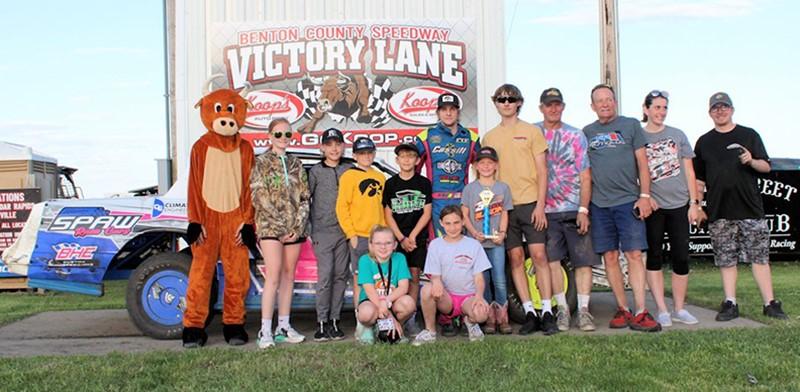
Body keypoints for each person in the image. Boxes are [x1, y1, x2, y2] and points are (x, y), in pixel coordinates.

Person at [693, 92, 788, 321]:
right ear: (710, 113)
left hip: (749, 209)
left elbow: (766, 166)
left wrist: (750, 161)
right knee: (726, 260)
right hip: (719, 211)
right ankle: (730, 303)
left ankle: (770, 303)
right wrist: (696, 205)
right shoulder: (704, 142)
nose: (720, 111)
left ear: (732, 109)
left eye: (724, 106)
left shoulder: (748, 135)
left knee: (760, 258)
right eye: (716, 108)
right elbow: (698, 180)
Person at [582, 84, 660, 332]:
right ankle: (623, 309)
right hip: (600, 204)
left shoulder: (630, 125)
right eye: (599, 101)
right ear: (592, 106)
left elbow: (643, 163)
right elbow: (585, 171)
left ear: (615, 102)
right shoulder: (587, 132)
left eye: (609, 99)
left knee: (635, 255)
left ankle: (640, 310)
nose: (604, 104)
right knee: (610, 257)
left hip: (628, 201)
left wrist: (645, 195)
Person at [482, 84, 557, 335]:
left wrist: (540, 206)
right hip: (504, 207)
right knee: (514, 259)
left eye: (511, 99)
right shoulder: (489, 137)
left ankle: (547, 311)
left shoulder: (532, 131)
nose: (506, 103)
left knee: (538, 256)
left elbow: (543, 171)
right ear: (496, 103)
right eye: (501, 99)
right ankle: (529, 313)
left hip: (529, 203)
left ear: (519, 103)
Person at [535, 87, 601, 332]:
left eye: (557, 104)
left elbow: (586, 175)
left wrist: (584, 209)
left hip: (574, 208)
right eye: (548, 105)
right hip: (547, 211)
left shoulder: (576, 135)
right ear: (541, 108)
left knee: (583, 261)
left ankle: (583, 311)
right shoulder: (533, 132)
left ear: (563, 107)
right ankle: (562, 309)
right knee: (552, 261)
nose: (553, 109)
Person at [640, 90, 701, 326]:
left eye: (664, 108)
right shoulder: (638, 136)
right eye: (656, 107)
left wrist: (694, 203)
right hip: (654, 206)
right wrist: (644, 196)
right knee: (654, 256)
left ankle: (679, 308)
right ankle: (662, 309)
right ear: (646, 109)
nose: (661, 112)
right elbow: (633, 171)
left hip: (679, 204)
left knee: (681, 257)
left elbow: (689, 171)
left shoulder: (677, 135)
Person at [251, 118, 311, 348]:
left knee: (289, 276)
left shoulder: (297, 164)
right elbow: (259, 197)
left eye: (287, 134)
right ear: (269, 136)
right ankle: (264, 330)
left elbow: (305, 198)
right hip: (270, 228)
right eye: (278, 134)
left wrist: (296, 227)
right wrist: (280, 227)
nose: (283, 139)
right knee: (273, 275)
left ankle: (283, 326)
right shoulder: (261, 163)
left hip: (294, 230)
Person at [413, 205, 491, 345]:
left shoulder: (473, 245)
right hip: (447, 298)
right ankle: (430, 332)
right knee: (426, 290)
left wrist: (479, 297)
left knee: (482, 313)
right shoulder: (435, 245)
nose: (452, 228)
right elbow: (435, 275)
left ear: (462, 222)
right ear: (441, 223)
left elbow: (479, 278)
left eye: (456, 223)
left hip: (468, 297)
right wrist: (436, 283)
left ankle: (470, 322)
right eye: (448, 223)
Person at [336, 136, 386, 342]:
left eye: (369, 152)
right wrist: (351, 234)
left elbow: (383, 209)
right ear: (355, 156)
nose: (366, 156)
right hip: (360, 236)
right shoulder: (349, 176)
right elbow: (342, 206)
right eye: (361, 153)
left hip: (379, 238)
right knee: (360, 281)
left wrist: (387, 234)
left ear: (374, 154)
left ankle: (380, 319)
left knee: (380, 281)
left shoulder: (380, 176)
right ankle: (362, 323)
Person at [460, 146, 513, 334]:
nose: (486, 166)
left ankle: (503, 316)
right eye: (482, 163)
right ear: (475, 166)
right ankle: (489, 315)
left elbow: (505, 212)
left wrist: (503, 233)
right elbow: (464, 215)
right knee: (484, 279)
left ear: (496, 166)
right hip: (477, 243)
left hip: (496, 242)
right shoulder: (470, 188)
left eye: (490, 163)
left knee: (499, 279)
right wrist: (473, 233)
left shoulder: (503, 188)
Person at [382, 142, 432, 336]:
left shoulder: (423, 183)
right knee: (396, 278)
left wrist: (412, 236)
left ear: (417, 160)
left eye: (411, 156)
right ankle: (395, 316)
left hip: (417, 237)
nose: (407, 160)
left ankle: (410, 318)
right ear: (397, 160)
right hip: (397, 239)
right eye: (403, 156)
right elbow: (388, 214)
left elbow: (426, 212)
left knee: (413, 276)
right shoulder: (391, 184)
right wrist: (401, 238)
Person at [414, 92, 481, 237]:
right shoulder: (426, 136)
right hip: (437, 201)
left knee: (463, 246)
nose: (448, 113)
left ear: (458, 112)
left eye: (452, 109)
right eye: (444, 109)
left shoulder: (471, 137)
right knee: (439, 244)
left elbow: (484, 168)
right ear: (438, 113)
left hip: (462, 200)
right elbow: (414, 171)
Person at [309, 128, 352, 341]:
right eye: (329, 144)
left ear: (343, 146)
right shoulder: (316, 171)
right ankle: (321, 322)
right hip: (322, 232)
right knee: (325, 276)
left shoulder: (350, 169)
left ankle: (335, 321)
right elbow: (305, 200)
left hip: (344, 232)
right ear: (322, 148)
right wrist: (310, 229)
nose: (334, 148)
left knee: (340, 276)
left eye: (338, 144)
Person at [356, 226, 417, 344]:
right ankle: (368, 327)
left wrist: (386, 300)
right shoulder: (365, 260)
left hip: (392, 302)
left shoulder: (399, 258)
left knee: (408, 303)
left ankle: (399, 327)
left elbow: (403, 287)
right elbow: (369, 290)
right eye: (378, 243)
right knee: (365, 313)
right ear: (371, 245)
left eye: (388, 243)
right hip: (372, 302)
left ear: (394, 245)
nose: (383, 247)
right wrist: (389, 315)